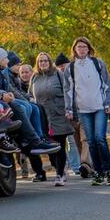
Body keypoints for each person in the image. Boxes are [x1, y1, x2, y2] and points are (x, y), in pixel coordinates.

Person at [67, 36, 110, 186]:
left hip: (100, 107)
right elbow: (68, 90)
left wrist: (109, 104)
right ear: (74, 50)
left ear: (88, 49)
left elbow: (107, 84)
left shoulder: (97, 63)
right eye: (79, 47)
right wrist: (69, 109)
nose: (81, 49)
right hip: (83, 109)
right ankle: (98, 173)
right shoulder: (71, 68)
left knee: (100, 139)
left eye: (84, 47)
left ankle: (108, 172)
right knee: (92, 142)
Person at [29, 52, 73, 185]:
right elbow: (30, 95)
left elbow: (67, 91)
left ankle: (59, 174)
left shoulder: (58, 74)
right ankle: (59, 167)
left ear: (50, 62)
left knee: (59, 144)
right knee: (49, 147)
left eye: (45, 61)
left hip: (58, 114)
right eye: (40, 61)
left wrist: (69, 109)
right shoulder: (35, 77)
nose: (43, 63)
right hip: (42, 117)